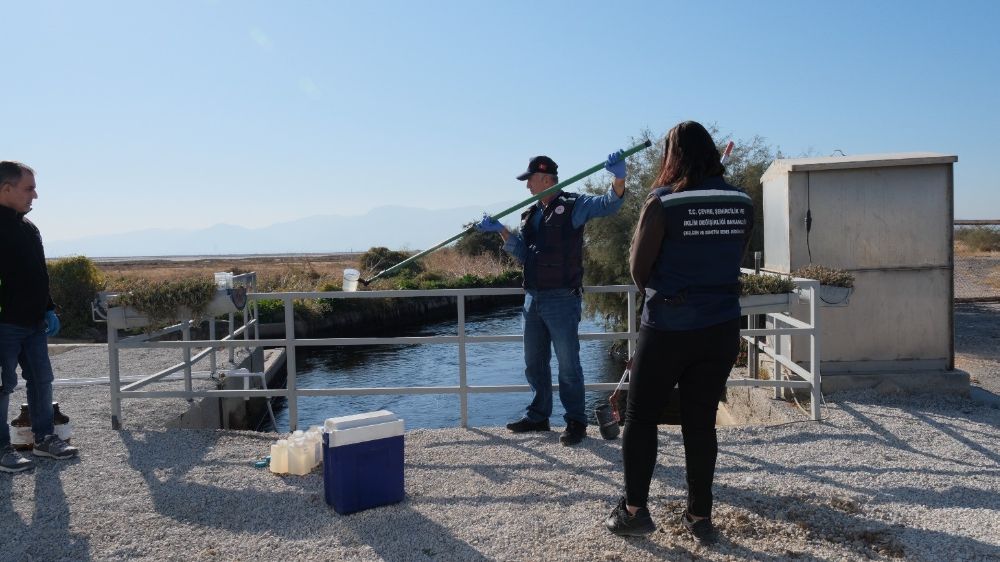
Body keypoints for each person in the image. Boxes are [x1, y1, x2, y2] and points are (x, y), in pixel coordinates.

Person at [603, 122, 753, 542]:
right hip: (721, 325)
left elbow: (638, 267)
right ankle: (700, 518)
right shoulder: (741, 201)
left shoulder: (664, 202)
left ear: (674, 155)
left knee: (641, 414)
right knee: (700, 422)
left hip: (669, 325)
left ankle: (634, 509)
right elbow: (736, 253)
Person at [475, 150, 627, 446]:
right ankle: (538, 416)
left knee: (569, 365)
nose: (527, 186)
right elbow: (523, 255)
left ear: (545, 178)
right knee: (534, 362)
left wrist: (619, 177)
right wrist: (501, 231)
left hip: (562, 299)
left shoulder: (574, 206)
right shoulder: (530, 214)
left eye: (530, 180)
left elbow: (609, 204)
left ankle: (576, 422)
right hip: (532, 298)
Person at [1, 161, 79, 474]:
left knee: (42, 380)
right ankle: (3, 450)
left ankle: (44, 438)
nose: (35, 195)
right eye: (28, 188)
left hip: (33, 324)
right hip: (4, 325)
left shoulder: (28, 227)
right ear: (6, 189)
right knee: (4, 385)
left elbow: (38, 273)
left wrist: (48, 307)